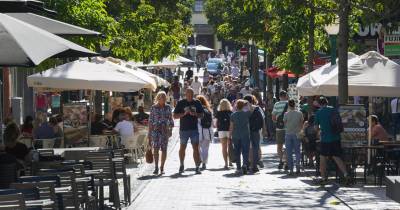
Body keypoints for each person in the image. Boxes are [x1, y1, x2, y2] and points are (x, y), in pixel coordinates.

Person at [315, 97, 349, 185]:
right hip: (336, 137)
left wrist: (320, 130)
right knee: (337, 157)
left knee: (322, 158)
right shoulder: (334, 110)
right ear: (327, 102)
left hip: (325, 139)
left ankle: (323, 178)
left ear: (319, 104)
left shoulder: (318, 113)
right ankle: (346, 174)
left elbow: (316, 128)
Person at [173, 88, 204, 174]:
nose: (189, 96)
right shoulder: (181, 103)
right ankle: (181, 164)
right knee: (183, 147)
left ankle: (197, 167)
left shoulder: (197, 102)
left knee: (196, 148)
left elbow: (202, 115)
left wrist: (195, 114)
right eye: (188, 95)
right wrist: (183, 114)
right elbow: (175, 116)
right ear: (185, 95)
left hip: (194, 129)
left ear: (193, 94)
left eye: (191, 95)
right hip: (184, 129)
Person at [148, 91, 174, 175]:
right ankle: (156, 167)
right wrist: (149, 133)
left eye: (164, 97)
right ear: (157, 98)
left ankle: (162, 167)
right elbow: (150, 121)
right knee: (155, 149)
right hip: (155, 131)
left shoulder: (168, 107)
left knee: (164, 150)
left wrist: (170, 130)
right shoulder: (153, 108)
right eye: (160, 97)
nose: (162, 99)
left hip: (164, 131)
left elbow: (171, 119)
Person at [230, 99, 253, 174]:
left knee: (237, 151)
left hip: (236, 135)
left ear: (236, 106)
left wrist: (230, 135)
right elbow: (252, 109)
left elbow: (231, 127)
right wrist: (248, 103)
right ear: (243, 106)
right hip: (245, 134)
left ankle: (238, 167)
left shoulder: (233, 115)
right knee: (245, 151)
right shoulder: (246, 114)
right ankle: (245, 164)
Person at [244, 95, 265, 173]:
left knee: (248, 148)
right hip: (256, 130)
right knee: (256, 147)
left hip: (246, 130)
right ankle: (255, 165)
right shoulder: (257, 108)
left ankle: (249, 164)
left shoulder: (244, 108)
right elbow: (263, 119)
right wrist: (264, 130)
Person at [283, 99, 304, 175]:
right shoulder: (299, 113)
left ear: (288, 105)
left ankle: (291, 169)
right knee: (297, 151)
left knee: (289, 152)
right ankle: (298, 166)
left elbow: (284, 123)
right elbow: (301, 124)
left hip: (288, 133)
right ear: (295, 105)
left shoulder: (286, 114)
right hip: (297, 133)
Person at [272, 90, 289, 170]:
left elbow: (273, 117)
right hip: (288, 128)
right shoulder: (290, 104)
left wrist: (277, 121)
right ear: (286, 96)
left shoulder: (276, 104)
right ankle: (287, 162)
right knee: (287, 146)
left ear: (279, 96)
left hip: (279, 128)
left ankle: (281, 161)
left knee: (279, 146)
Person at [196, 95, 213, 170]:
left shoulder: (197, 111)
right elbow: (212, 122)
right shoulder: (209, 110)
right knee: (205, 148)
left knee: (198, 148)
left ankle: (200, 160)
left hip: (199, 132)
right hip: (208, 131)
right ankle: (204, 163)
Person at [215, 99, 233, 169]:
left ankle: (226, 163)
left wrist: (218, 128)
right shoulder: (231, 112)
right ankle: (230, 161)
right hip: (229, 130)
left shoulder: (218, 113)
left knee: (224, 148)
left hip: (221, 131)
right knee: (230, 146)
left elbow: (215, 123)